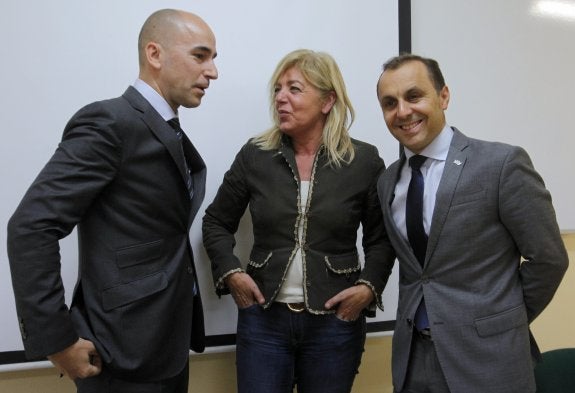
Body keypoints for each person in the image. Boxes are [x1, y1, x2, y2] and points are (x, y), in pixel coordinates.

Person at [7, 9, 218, 393]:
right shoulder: (111, 123)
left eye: (213, 59)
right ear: (155, 54)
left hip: (164, 346)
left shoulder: (165, 129)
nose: (213, 72)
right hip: (120, 354)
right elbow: (30, 226)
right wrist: (58, 341)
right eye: (200, 56)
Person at [202, 49, 395, 393]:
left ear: (327, 101)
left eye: (294, 89)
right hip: (264, 321)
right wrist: (231, 272)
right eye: (277, 89)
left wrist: (367, 288)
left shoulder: (363, 161)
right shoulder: (255, 155)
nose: (280, 98)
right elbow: (216, 221)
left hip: (335, 324)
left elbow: (380, 240)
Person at [375, 53, 569, 393]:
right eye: (390, 103)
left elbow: (549, 258)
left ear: (444, 96)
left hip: (489, 360)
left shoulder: (501, 164)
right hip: (413, 363)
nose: (402, 111)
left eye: (414, 96)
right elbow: (418, 272)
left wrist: (499, 320)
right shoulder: (388, 181)